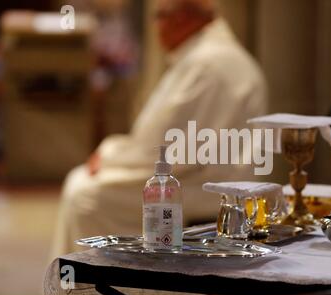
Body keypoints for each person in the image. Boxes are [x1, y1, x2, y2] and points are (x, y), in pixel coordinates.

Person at [50, 0, 268, 258]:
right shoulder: (205, 55)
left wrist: (110, 156)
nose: (156, 27)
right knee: (82, 181)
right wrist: (113, 152)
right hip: (199, 176)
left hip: (211, 191)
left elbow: (172, 150)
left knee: (86, 195)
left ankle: (108, 286)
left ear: (184, 18)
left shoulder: (208, 64)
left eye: (159, 17)